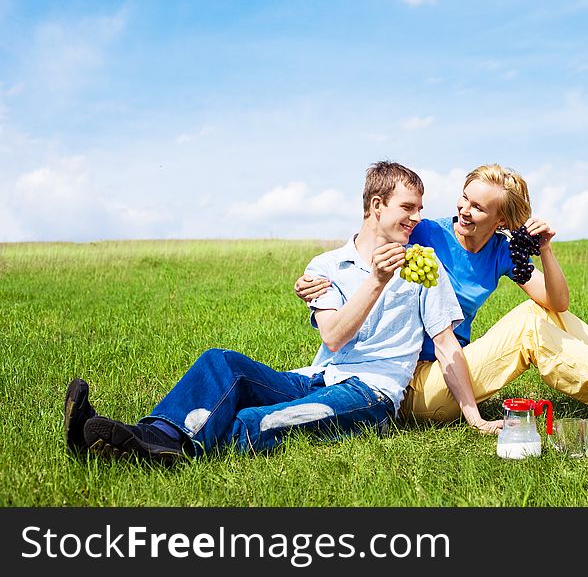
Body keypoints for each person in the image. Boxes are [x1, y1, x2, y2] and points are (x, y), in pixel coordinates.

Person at [63, 161, 502, 463]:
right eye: (408, 208)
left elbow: (446, 346)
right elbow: (333, 337)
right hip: (317, 376)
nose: (417, 218)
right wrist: (376, 281)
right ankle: (147, 438)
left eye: (420, 209)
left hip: (374, 394)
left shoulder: (423, 266)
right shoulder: (326, 267)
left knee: (262, 421)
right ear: (375, 207)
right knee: (222, 364)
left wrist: (475, 418)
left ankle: (158, 450)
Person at [295, 163, 588, 424]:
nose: (464, 211)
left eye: (478, 208)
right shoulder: (426, 232)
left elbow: (558, 303)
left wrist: (545, 249)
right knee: (530, 322)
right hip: (406, 378)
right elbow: (372, 234)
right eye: (464, 199)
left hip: (449, 370)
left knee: (547, 315)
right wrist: (310, 283)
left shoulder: (501, 250)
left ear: (501, 220)